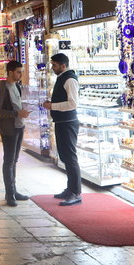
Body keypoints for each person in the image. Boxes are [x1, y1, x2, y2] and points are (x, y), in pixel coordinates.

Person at [44, 53, 82, 206]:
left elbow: (73, 104)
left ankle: (76, 192)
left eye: (54, 65)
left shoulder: (70, 79)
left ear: (63, 65)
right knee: (65, 156)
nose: (52, 68)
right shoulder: (62, 78)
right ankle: (70, 188)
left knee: (70, 157)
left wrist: (52, 106)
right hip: (61, 122)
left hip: (68, 123)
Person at [0, 61, 30, 206]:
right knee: (9, 161)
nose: (21, 74)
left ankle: (14, 190)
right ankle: (9, 194)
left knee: (14, 160)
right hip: (9, 129)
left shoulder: (17, 86)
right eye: (19, 72)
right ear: (10, 72)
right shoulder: (1, 88)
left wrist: (21, 113)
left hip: (19, 126)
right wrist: (16, 113)